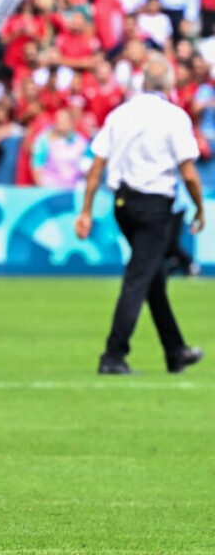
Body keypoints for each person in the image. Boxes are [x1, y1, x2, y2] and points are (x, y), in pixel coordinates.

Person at [75, 57, 205, 375]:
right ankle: (113, 355)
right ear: (170, 84)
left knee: (151, 277)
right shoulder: (176, 117)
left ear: (143, 82)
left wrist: (87, 210)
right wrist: (200, 207)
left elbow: (96, 166)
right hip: (155, 205)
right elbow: (188, 172)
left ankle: (176, 352)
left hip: (123, 204)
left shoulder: (120, 114)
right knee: (138, 278)